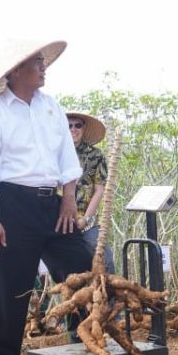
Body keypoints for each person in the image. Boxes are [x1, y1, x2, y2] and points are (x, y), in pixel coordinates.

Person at [0, 39, 93, 355]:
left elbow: (67, 158)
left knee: (80, 266)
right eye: (37, 62)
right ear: (15, 71)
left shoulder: (51, 106)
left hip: (52, 201)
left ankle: (88, 337)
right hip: (11, 203)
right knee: (11, 280)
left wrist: (68, 198)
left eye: (44, 61)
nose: (44, 68)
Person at [65, 112, 114, 274]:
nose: (73, 129)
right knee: (67, 272)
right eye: (69, 125)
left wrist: (86, 218)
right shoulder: (56, 154)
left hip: (86, 222)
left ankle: (110, 299)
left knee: (105, 261)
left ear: (84, 128)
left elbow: (99, 190)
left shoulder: (96, 155)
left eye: (77, 125)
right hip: (59, 222)